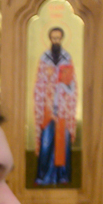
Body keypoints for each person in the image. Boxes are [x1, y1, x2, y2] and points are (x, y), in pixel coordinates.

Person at [33, 26, 77, 186]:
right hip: (47, 109)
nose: (56, 41)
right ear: (50, 39)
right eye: (53, 38)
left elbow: (72, 87)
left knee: (63, 144)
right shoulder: (44, 59)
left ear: (62, 39)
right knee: (46, 143)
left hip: (63, 110)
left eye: (58, 38)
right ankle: (42, 177)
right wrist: (48, 77)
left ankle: (62, 177)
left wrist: (62, 82)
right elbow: (39, 84)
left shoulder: (67, 58)